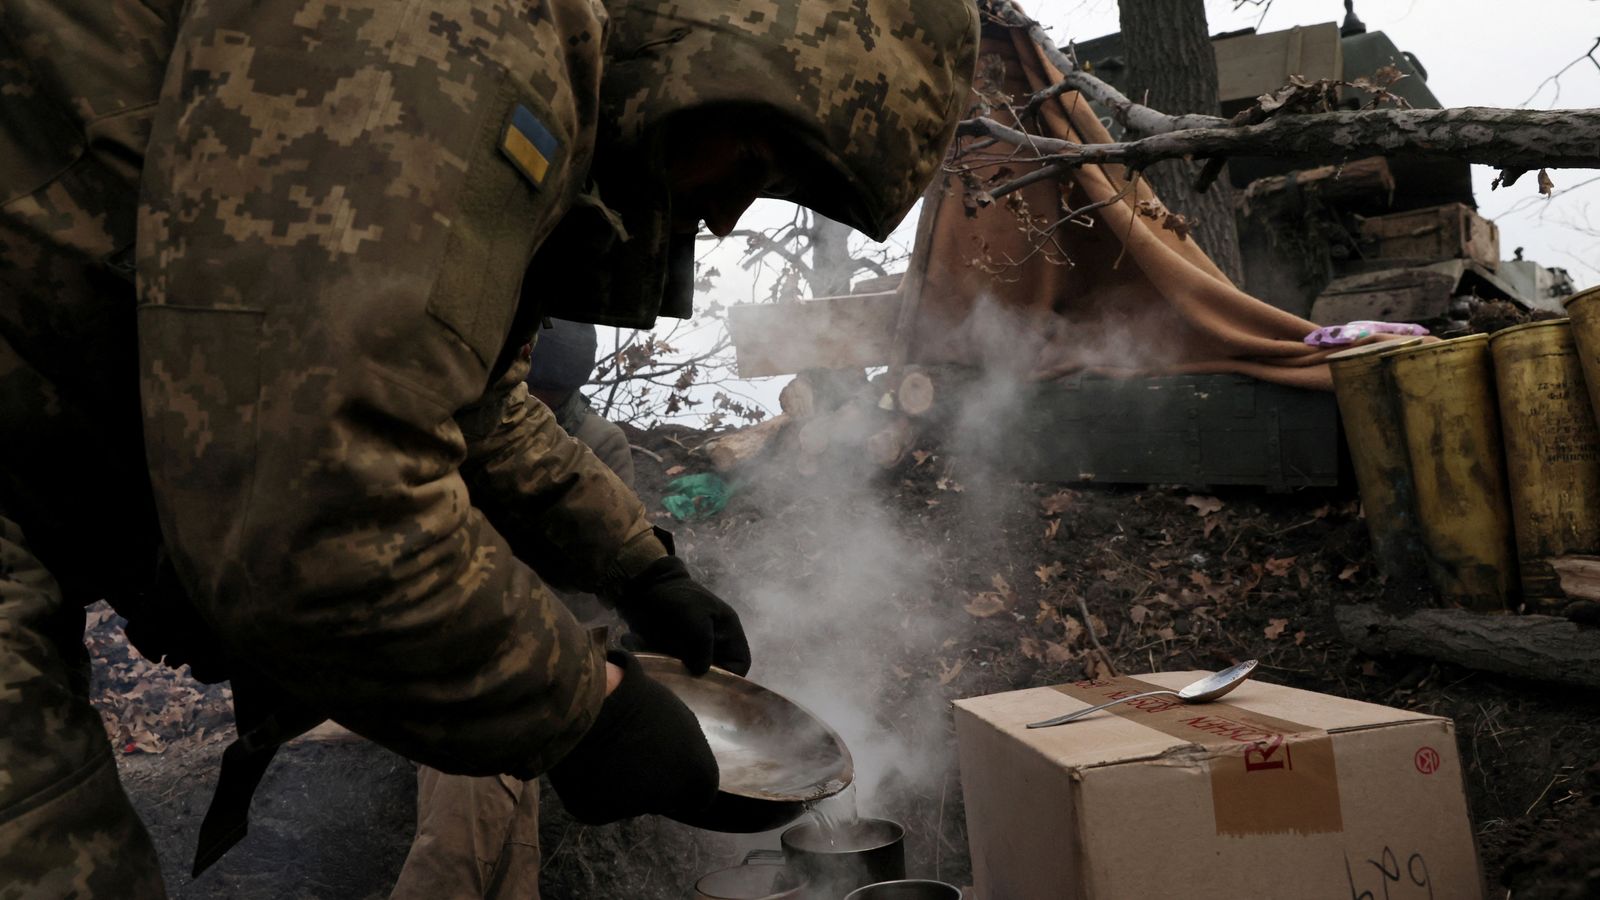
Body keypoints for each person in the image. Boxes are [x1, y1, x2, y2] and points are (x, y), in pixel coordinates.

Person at [0, 0, 978, 895]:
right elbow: (319, 508)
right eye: (758, 163)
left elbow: (467, 401)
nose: (725, 216)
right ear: (719, 52)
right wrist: (584, 709)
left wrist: (634, 560)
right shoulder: (447, 27)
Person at [391, 318, 634, 900]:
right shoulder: (464, 423)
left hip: (552, 633)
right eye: (534, 391)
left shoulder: (597, 446)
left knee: (503, 754)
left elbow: (602, 571)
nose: (540, 405)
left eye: (554, 396)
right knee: (486, 761)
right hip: (460, 630)